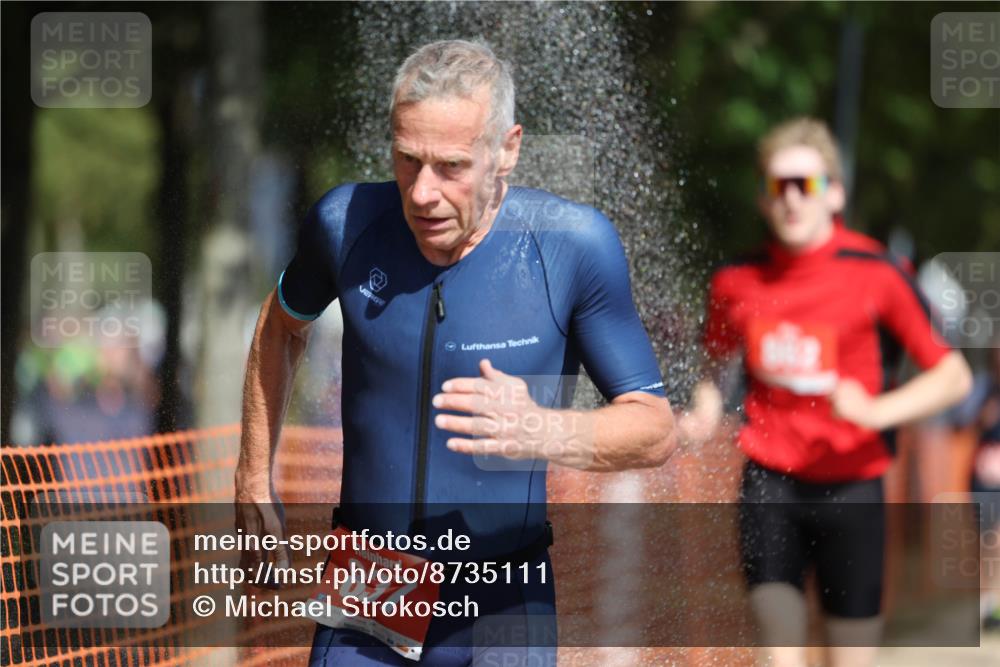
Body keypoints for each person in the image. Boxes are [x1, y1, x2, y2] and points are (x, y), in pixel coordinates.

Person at [235, 39, 676, 666]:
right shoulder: (346, 224)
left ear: (507, 150)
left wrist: (545, 429)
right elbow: (282, 327)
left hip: (503, 590)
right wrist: (253, 473)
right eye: (407, 160)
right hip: (373, 577)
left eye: (450, 167)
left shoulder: (571, 248)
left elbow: (654, 427)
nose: (421, 192)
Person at [678, 117, 972, 667]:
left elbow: (953, 375)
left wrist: (876, 408)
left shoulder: (878, 273)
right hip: (771, 484)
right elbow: (715, 363)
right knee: (779, 652)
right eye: (777, 186)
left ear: (834, 192)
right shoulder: (736, 281)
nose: (792, 199)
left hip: (853, 489)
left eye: (806, 185)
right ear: (764, 199)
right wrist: (703, 411)